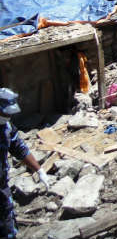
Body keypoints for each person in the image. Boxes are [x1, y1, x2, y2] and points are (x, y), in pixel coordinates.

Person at [0, 88, 49, 239]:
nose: (8, 117)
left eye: (10, 114)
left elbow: (19, 148)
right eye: (5, 114)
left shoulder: (6, 128)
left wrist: (39, 170)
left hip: (1, 186)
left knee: (7, 222)